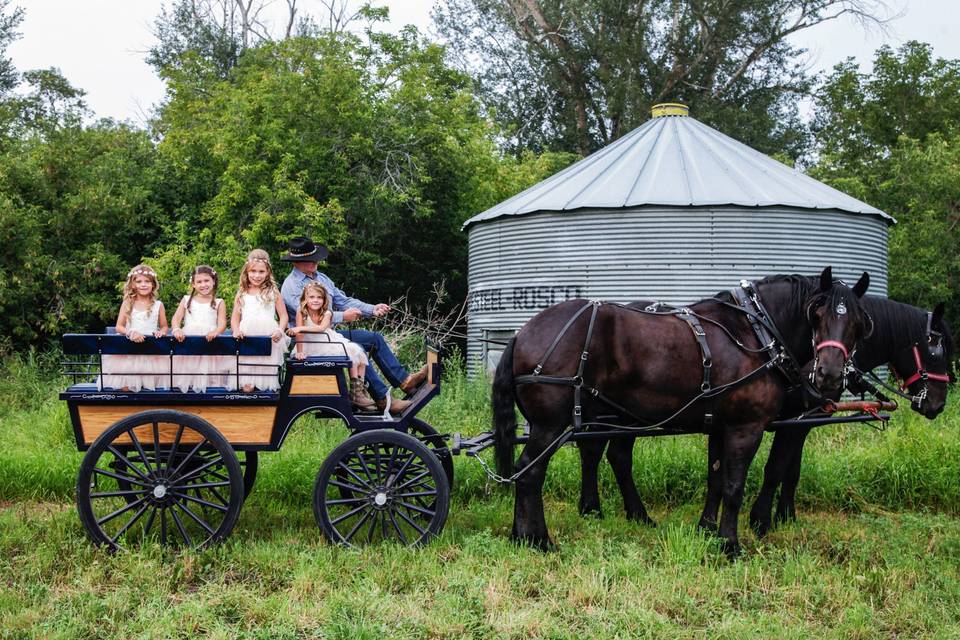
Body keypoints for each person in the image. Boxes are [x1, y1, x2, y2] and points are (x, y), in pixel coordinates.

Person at [279, 236, 427, 414]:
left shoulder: (322, 278)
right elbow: (310, 315)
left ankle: (405, 381)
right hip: (310, 340)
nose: (315, 262)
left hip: (329, 334)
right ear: (297, 263)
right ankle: (382, 399)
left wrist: (372, 309)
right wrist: (342, 317)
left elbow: (344, 300)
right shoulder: (291, 286)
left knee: (374, 338)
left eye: (315, 258)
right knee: (357, 348)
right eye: (309, 260)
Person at [290, 282, 377, 411]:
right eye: (312, 297)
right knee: (351, 353)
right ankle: (356, 394)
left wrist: (299, 328)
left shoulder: (327, 313)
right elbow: (300, 335)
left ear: (324, 300)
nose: (315, 300)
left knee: (357, 352)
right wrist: (299, 351)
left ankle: (357, 390)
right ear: (305, 299)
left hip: (326, 339)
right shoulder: (301, 311)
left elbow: (321, 329)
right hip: (312, 344)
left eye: (319, 297)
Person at [102, 264, 168, 392]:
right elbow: (119, 327)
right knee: (127, 387)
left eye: (147, 281)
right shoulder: (128, 303)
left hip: (151, 350)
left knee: (151, 386)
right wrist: (130, 332)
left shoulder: (158, 305)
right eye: (139, 281)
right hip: (129, 349)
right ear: (133, 285)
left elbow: (164, 326)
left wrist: (161, 333)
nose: (143, 284)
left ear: (153, 284)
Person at [231, 249, 290, 392]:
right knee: (248, 363)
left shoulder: (273, 291)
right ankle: (247, 384)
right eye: (253, 271)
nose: (257, 275)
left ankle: (265, 386)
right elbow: (235, 317)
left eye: (261, 272)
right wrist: (236, 330)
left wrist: (280, 330)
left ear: (268, 272)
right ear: (247, 272)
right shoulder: (242, 292)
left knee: (265, 362)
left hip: (268, 333)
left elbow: (283, 316)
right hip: (247, 333)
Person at [170, 265, 228, 392]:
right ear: (193, 284)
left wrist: (216, 332)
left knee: (209, 369)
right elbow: (176, 319)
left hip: (209, 340)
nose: (203, 284)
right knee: (190, 367)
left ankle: (210, 397)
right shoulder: (187, 300)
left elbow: (222, 324)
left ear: (213, 281)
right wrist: (176, 329)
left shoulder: (219, 302)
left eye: (206, 281)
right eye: (199, 282)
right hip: (189, 340)